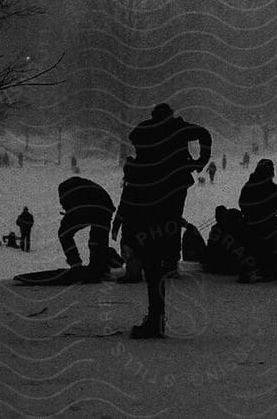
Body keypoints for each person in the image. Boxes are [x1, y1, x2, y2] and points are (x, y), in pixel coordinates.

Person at [118, 103, 211, 339]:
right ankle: (168, 261)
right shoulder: (177, 129)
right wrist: (198, 162)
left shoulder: (145, 134)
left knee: (152, 255)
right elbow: (204, 134)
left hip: (152, 195)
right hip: (173, 188)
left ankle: (155, 318)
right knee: (166, 234)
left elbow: (133, 185)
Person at [236, 158, 277, 282]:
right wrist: (267, 216)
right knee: (266, 246)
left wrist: (250, 215)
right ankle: (267, 270)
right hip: (265, 223)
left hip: (250, 222)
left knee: (250, 247)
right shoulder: (272, 187)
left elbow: (242, 203)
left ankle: (247, 270)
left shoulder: (249, 185)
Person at [55, 176, 115, 279]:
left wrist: (69, 215)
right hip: (105, 207)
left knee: (64, 233)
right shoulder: (77, 189)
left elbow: (73, 211)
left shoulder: (70, 192)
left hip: (98, 207)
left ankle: (77, 264)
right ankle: (101, 267)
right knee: (98, 240)